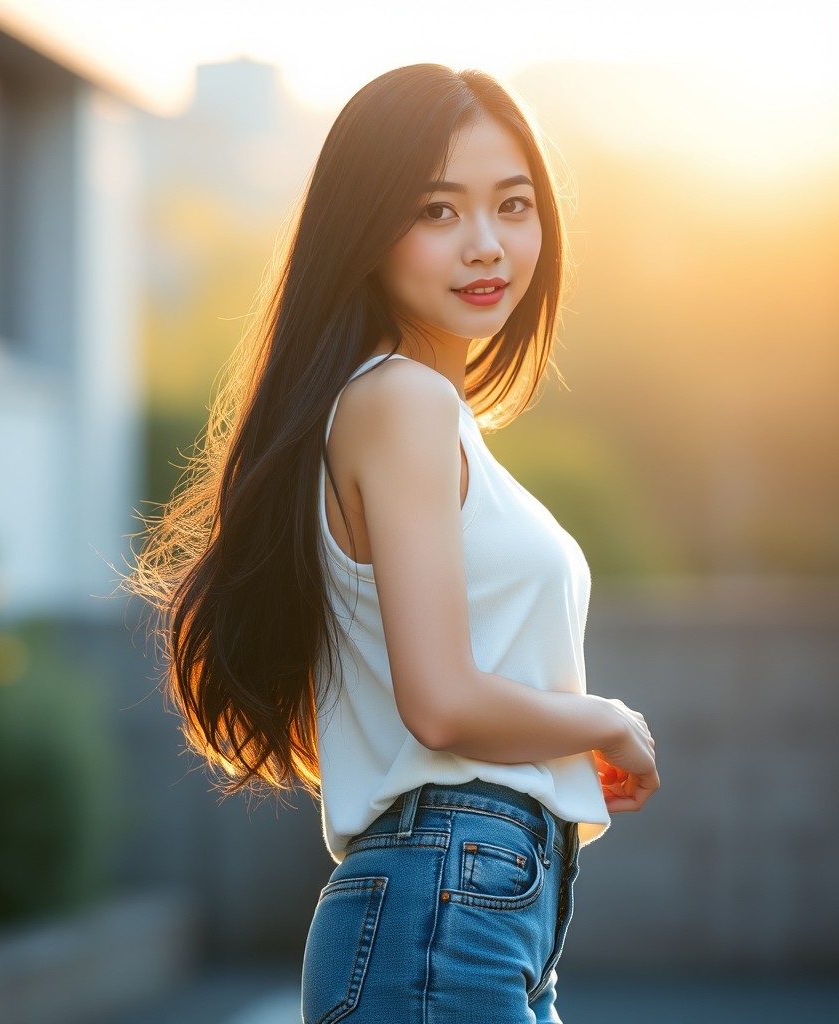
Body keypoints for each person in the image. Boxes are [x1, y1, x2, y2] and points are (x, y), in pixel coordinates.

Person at [130, 63, 658, 1023]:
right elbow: (443, 705)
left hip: (482, 908)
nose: (487, 244)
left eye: (513, 205)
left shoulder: (421, 415)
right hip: (450, 901)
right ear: (367, 230)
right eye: (438, 210)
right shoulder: (400, 402)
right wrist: (606, 722)